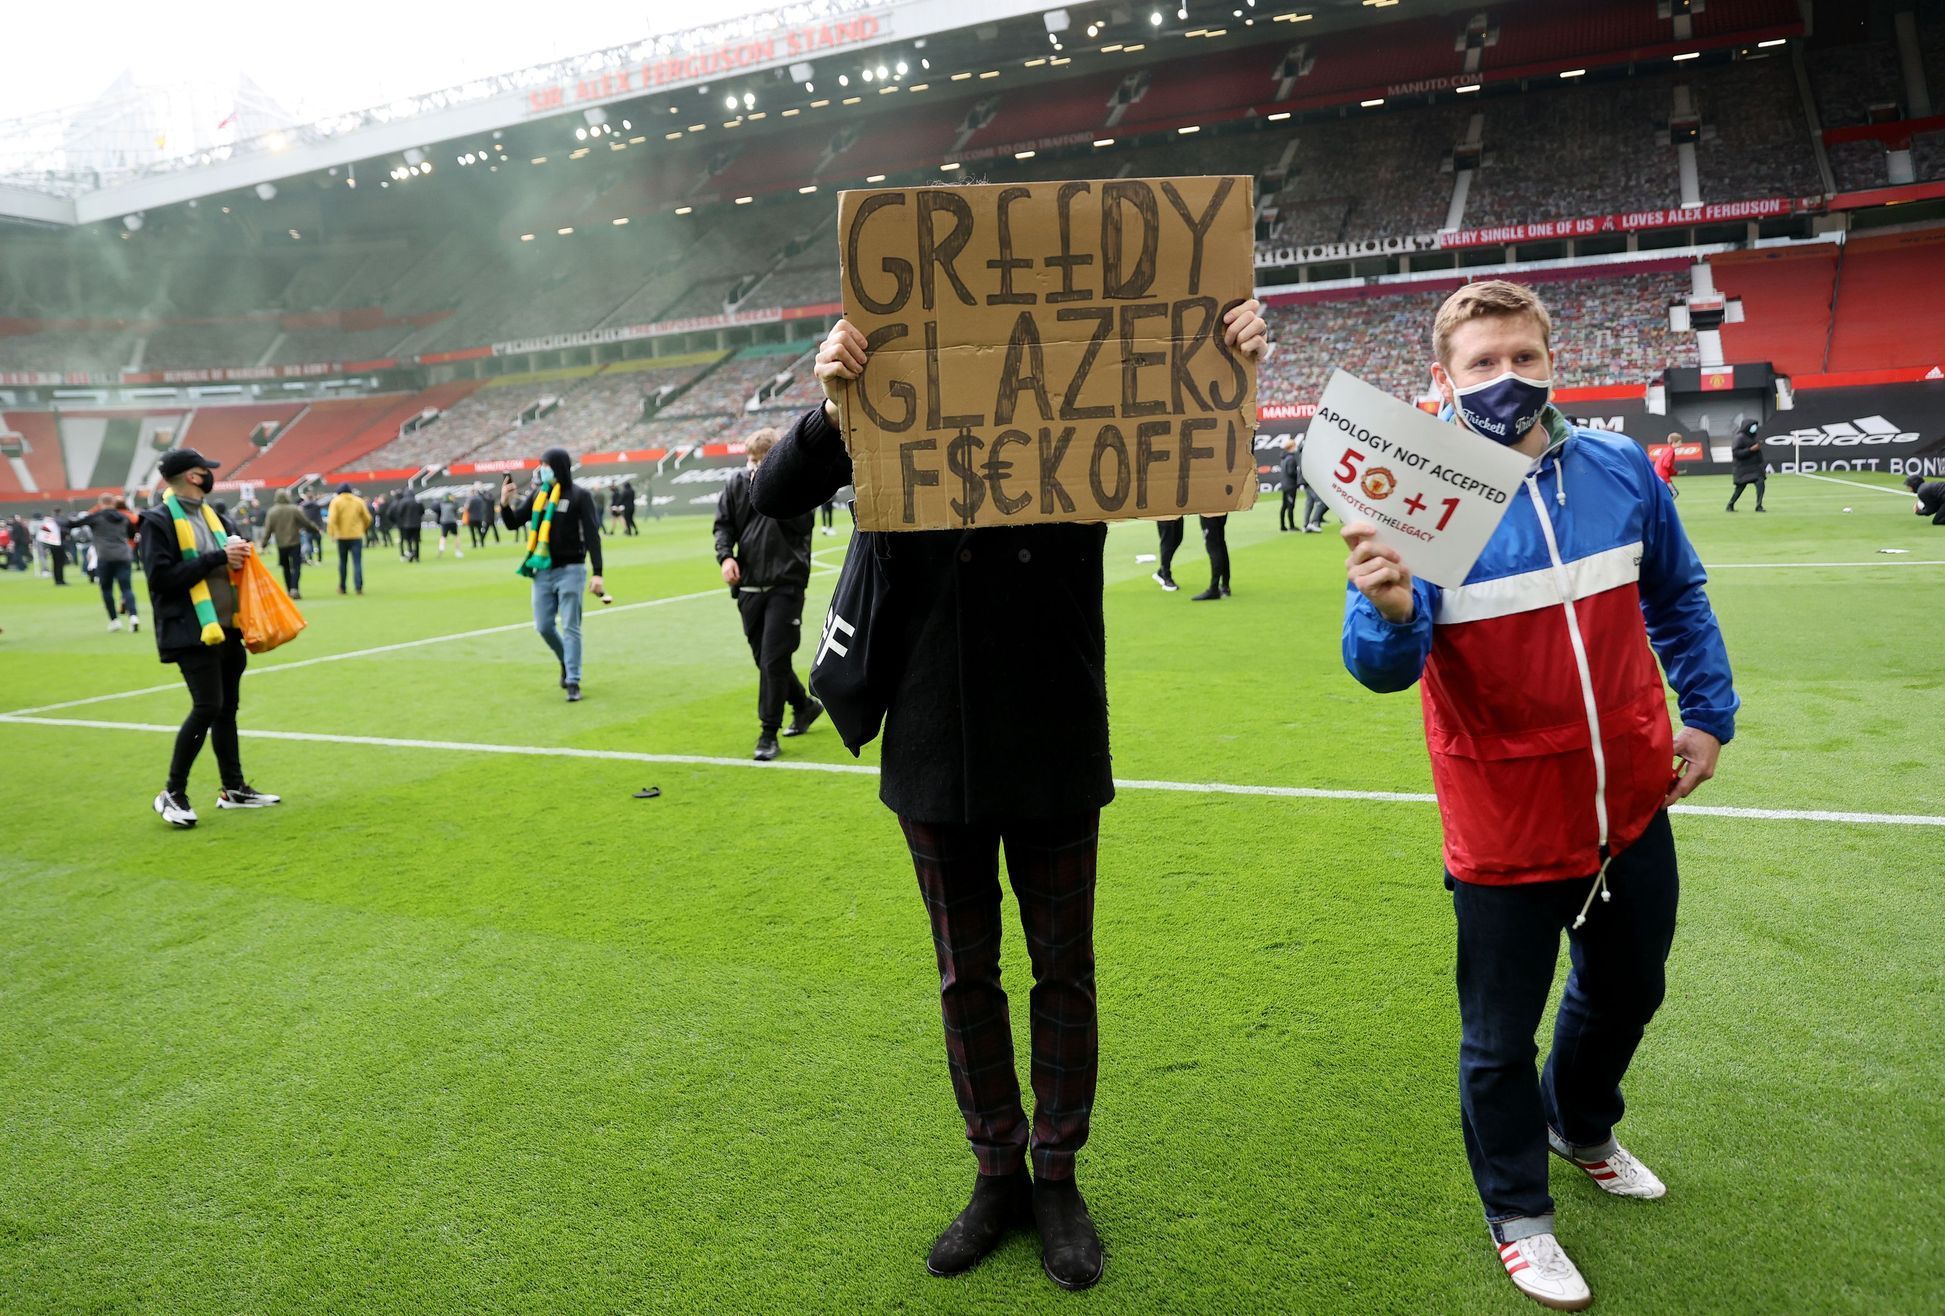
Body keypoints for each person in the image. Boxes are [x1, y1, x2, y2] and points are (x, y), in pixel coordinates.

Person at [753, 301, 1269, 1292]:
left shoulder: (1086, 397)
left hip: (1053, 723)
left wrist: (1230, 366)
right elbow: (778, 493)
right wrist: (832, 404)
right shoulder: (899, 396)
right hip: (936, 731)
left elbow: (1208, 458)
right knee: (966, 973)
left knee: (1063, 968)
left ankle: (1058, 1174)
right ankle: (997, 1168)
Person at [1340, 280, 1738, 1312]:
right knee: (1494, 1039)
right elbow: (1380, 667)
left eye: (1523, 355)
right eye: (1481, 362)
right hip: (1502, 821)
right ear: (1442, 379)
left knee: (1627, 992)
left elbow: (1676, 592)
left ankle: (1581, 1121)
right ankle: (1519, 1213)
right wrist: (1386, 610)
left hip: (1626, 807)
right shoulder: (1414, 493)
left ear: (1552, 359)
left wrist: (1706, 711)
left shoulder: (1613, 466)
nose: (1505, 377)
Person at [137, 447, 282, 827]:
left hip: (228, 626)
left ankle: (233, 788)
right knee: (207, 706)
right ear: (192, 476)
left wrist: (237, 554)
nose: (210, 474)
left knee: (227, 708)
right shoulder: (157, 520)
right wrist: (217, 557)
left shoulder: (212, 514)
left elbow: (223, 558)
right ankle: (172, 792)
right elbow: (161, 579)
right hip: (191, 630)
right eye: (205, 470)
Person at [713, 427, 823, 761]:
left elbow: (801, 526)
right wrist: (726, 556)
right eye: (750, 460)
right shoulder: (736, 483)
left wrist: (774, 487)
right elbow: (724, 526)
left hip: (785, 584)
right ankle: (803, 706)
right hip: (747, 585)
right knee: (765, 660)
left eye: (761, 461)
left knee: (773, 659)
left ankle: (768, 734)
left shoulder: (798, 485)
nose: (753, 467)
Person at [500, 448, 605, 702]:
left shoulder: (579, 496)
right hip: (542, 570)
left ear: (558, 466)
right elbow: (514, 523)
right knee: (544, 626)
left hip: (572, 570)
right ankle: (565, 661)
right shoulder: (539, 494)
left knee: (571, 627)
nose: (542, 469)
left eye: (545, 464)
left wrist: (598, 572)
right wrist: (504, 503)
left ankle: (573, 681)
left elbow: (592, 535)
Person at [69, 494, 141, 631]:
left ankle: (114, 620)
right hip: (123, 555)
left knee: (107, 589)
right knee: (127, 588)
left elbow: (74, 524)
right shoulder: (124, 517)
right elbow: (132, 534)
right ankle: (133, 616)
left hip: (105, 557)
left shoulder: (96, 517)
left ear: (100, 503)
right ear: (114, 503)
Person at [263, 490, 323, 599]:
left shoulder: (272, 512)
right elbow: (305, 522)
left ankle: (289, 589)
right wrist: (315, 529)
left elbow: (268, 529)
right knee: (296, 566)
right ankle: (295, 588)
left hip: (281, 544)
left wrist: (264, 543)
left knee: (285, 567)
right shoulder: (294, 509)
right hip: (294, 541)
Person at [327, 482, 373, 595]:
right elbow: (367, 518)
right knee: (357, 562)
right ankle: (358, 587)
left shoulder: (336, 501)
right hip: (356, 536)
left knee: (343, 562)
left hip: (342, 536)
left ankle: (342, 587)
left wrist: (332, 533)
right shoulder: (358, 501)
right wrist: (362, 528)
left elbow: (332, 519)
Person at [1726, 420, 1765, 512]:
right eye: (1753, 426)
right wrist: (1751, 449)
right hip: (1742, 469)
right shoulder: (1739, 438)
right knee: (1739, 488)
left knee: (1760, 483)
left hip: (1754, 468)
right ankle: (1730, 505)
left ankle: (1759, 506)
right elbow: (1736, 453)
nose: (1755, 428)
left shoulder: (1752, 437)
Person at [1191, 514, 1231, 601]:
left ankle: (1214, 588)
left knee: (1213, 547)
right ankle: (1225, 586)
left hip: (1209, 511)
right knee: (1220, 543)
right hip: (1221, 509)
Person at [1277, 437, 1302, 532]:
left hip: (1285, 484)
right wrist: (1298, 473)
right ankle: (1291, 526)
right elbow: (1291, 472)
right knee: (1290, 506)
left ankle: (1283, 526)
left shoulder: (1283, 458)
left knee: (1284, 506)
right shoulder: (1291, 458)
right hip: (1291, 485)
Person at [1152, 517, 1183, 592]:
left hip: (1177, 509)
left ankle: (1161, 572)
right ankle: (1166, 577)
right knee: (1167, 541)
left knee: (1178, 538)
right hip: (1163, 511)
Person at [36, 512, 66, 584]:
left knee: (53, 561)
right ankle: (55, 577)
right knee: (56, 562)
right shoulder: (52, 525)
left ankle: (53, 576)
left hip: (50, 544)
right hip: (54, 544)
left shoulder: (45, 525)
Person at [1653, 433, 1680, 498]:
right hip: (1663, 476)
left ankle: (1664, 506)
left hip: (1657, 474)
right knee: (1674, 493)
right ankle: (1666, 507)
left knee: (1667, 494)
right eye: (1680, 442)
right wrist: (1674, 472)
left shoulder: (1666, 449)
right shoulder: (1671, 451)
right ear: (1674, 442)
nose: (1681, 444)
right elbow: (1666, 464)